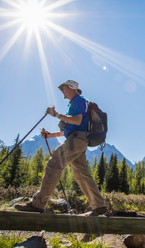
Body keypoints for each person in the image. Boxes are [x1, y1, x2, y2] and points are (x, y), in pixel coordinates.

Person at [15, 80, 108, 216]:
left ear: (71, 88)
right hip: (78, 139)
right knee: (81, 173)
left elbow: (76, 120)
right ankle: (99, 207)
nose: (62, 91)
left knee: (55, 163)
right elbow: (73, 127)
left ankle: (38, 204)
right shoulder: (74, 103)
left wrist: (56, 114)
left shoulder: (79, 100)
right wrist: (51, 135)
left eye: (64, 88)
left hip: (77, 140)